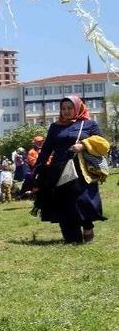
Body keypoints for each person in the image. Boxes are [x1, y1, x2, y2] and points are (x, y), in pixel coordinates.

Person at [33, 95, 108, 244]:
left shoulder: (89, 124)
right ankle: (72, 237)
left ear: (77, 107)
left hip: (82, 170)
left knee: (83, 200)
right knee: (64, 203)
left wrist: (83, 145)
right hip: (59, 170)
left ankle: (87, 226)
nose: (66, 111)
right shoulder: (55, 127)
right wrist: (37, 168)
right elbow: (47, 149)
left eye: (70, 108)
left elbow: (103, 144)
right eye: (63, 108)